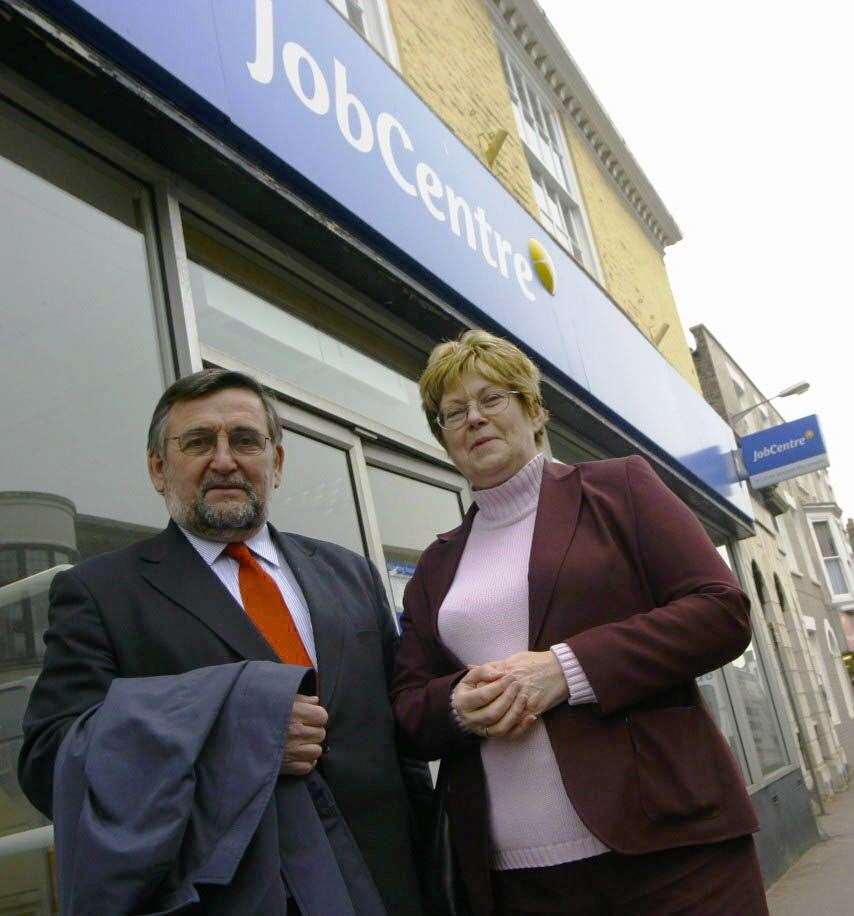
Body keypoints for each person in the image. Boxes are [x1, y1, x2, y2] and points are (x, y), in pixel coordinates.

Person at [19, 368, 425, 915]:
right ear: (158, 468)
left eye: (245, 440)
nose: (225, 459)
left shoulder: (349, 574)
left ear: (276, 463)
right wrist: (240, 741)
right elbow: (52, 763)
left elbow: (402, 750)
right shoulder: (100, 594)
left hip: (386, 886)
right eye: (198, 442)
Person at [391, 330, 769, 916]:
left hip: (668, 854)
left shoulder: (618, 488)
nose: (473, 419)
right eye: (453, 412)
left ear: (533, 410)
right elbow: (409, 706)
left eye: (491, 399)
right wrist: (456, 708)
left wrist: (567, 670)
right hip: (515, 881)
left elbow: (721, 610)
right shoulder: (438, 563)